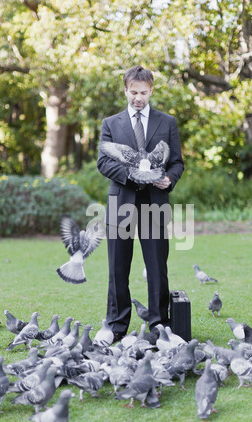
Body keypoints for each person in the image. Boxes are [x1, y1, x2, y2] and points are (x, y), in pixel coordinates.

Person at [97, 65, 184, 343]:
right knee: (117, 267)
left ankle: (159, 324)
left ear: (151, 91)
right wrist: (132, 176)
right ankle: (116, 325)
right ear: (125, 90)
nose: (138, 98)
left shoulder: (167, 122)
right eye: (133, 92)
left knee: (157, 266)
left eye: (143, 93)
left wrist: (169, 179)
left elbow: (177, 162)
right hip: (121, 201)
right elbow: (103, 162)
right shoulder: (110, 124)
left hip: (155, 203)